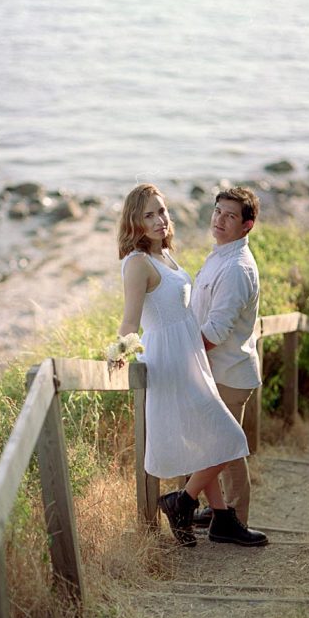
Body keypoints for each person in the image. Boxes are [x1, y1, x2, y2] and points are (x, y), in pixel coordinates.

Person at [116, 183, 267, 547]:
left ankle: (206, 512)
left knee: (215, 440)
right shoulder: (139, 263)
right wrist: (118, 353)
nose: (159, 220)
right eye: (148, 215)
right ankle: (188, 505)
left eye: (162, 212)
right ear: (134, 221)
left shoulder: (168, 255)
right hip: (173, 359)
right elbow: (130, 322)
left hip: (191, 358)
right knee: (225, 438)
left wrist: (189, 351)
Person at [190, 187, 263, 531]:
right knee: (214, 445)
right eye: (218, 211)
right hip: (216, 370)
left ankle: (234, 520)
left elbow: (216, 331)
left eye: (230, 215)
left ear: (247, 225)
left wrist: (181, 355)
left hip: (228, 374)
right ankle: (219, 511)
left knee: (228, 451)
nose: (219, 219)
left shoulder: (236, 268)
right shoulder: (220, 253)